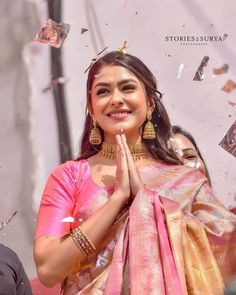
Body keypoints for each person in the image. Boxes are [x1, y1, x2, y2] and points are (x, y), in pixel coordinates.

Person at [34, 50, 236, 294]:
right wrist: (118, 198)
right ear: (92, 108)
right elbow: (48, 270)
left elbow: (227, 253)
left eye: (127, 88)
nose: (116, 99)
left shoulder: (187, 181)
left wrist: (147, 203)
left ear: (150, 103)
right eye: (103, 91)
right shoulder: (70, 176)